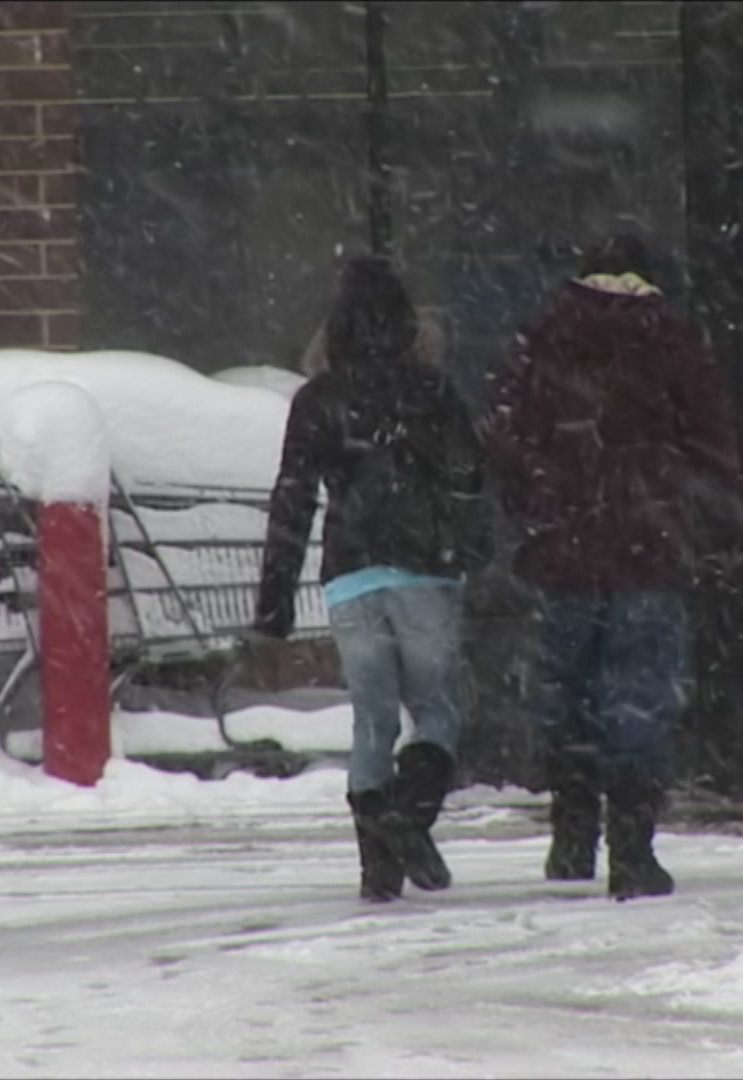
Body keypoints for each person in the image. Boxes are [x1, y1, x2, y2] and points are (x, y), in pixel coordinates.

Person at [484, 234, 743, 901]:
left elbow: (508, 444)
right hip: (649, 552)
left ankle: (572, 834)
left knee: (566, 692)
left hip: (563, 553)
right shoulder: (675, 345)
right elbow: (713, 450)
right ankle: (632, 852)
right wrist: (709, 531)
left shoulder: (541, 340)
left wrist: (535, 514)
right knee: (636, 697)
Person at [252, 256, 490, 903]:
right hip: (425, 571)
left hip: (350, 574)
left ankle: (377, 870)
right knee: (438, 710)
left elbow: (293, 499)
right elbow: (470, 480)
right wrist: (474, 552)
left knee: (372, 721)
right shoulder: (433, 393)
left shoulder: (317, 400)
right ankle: (408, 816)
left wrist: (272, 606)